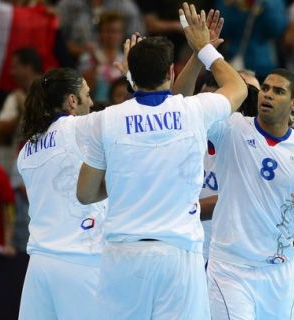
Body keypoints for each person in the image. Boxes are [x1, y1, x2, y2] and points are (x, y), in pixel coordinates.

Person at [76, 3, 247, 319]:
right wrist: (204, 49)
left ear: (130, 74)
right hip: (178, 256)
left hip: (122, 255)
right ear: (171, 72)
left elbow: (86, 194)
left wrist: (128, 179)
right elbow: (237, 87)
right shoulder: (194, 112)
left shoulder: (105, 120)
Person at [199, 67, 294, 319]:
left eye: (278, 91)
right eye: (265, 88)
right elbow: (183, 111)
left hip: (279, 272)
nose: (268, 95)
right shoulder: (231, 128)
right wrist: (203, 52)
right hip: (231, 269)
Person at [16, 67, 106, 319]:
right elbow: (129, 120)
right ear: (72, 101)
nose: (92, 101)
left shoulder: (27, 150)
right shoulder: (79, 127)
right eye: (87, 95)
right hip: (80, 261)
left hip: (39, 266)